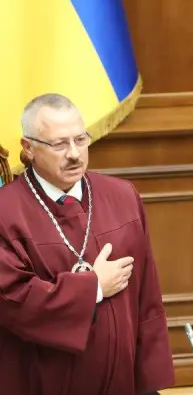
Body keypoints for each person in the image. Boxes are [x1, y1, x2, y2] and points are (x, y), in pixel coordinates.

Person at [0, 94, 174, 395]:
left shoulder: (123, 196)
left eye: (80, 140)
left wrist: (148, 379)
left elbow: (147, 293)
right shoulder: (5, 212)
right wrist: (93, 288)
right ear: (28, 148)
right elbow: (12, 299)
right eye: (59, 144)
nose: (74, 154)